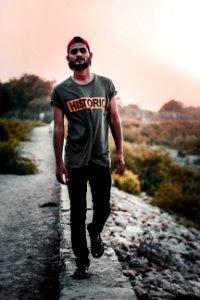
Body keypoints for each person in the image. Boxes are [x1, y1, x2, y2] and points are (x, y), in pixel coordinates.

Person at [51, 36, 125, 279]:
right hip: (74, 160)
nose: (79, 54)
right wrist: (59, 162)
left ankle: (94, 232)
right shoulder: (61, 90)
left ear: (90, 56)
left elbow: (114, 119)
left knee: (103, 207)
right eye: (74, 52)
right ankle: (81, 262)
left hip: (100, 158)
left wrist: (120, 152)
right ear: (68, 59)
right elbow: (59, 128)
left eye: (83, 50)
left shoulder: (105, 84)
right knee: (77, 212)